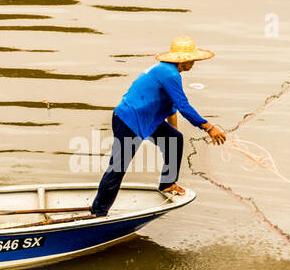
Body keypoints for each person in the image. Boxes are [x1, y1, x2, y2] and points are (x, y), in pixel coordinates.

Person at [90, 35, 226, 217]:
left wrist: (172, 136)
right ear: (184, 60)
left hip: (146, 118)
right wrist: (208, 127)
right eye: (192, 59)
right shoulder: (170, 74)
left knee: (174, 139)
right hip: (128, 120)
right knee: (118, 167)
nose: (193, 63)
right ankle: (98, 211)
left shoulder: (167, 71)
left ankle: (168, 183)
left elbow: (172, 107)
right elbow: (184, 106)